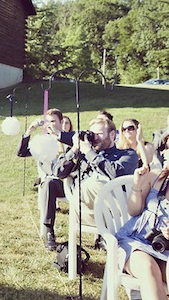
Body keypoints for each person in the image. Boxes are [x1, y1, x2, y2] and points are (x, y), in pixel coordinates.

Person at [55, 116, 139, 225]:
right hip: (87, 212)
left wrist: (89, 153)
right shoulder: (82, 154)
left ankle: (124, 221)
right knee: (91, 183)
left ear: (112, 134)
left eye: (99, 134)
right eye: (92, 134)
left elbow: (116, 173)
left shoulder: (128, 154)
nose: (95, 138)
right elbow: (58, 172)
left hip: (116, 212)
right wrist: (75, 149)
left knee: (96, 182)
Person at [17, 108, 71, 250]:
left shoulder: (70, 139)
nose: (50, 125)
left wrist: (59, 136)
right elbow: (22, 153)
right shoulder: (43, 142)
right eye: (48, 122)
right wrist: (30, 130)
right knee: (48, 183)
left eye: (53, 121)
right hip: (53, 184)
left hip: (71, 183)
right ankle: (49, 232)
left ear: (61, 122)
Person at [115, 162, 169, 300]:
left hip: (165, 250)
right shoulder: (156, 176)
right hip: (136, 241)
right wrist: (137, 185)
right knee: (148, 267)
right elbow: (133, 211)